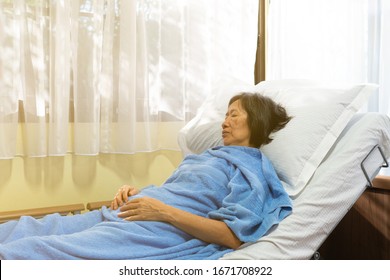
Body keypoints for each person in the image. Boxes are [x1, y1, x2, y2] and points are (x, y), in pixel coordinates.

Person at [0, 92, 293, 260]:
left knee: (41, 251)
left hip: (158, 231)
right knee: (33, 227)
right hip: (131, 213)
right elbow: (180, 192)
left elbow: (232, 237)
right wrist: (137, 192)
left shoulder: (252, 169)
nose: (225, 122)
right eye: (225, 115)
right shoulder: (210, 156)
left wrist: (162, 211)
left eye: (234, 115)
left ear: (255, 121)